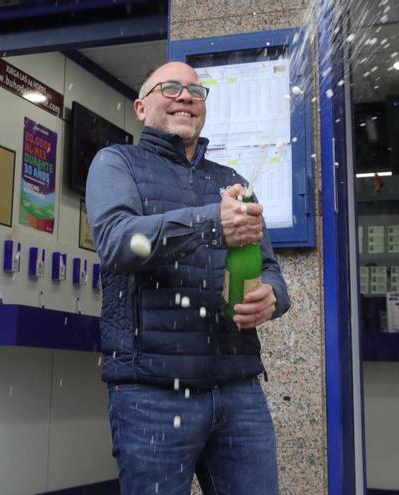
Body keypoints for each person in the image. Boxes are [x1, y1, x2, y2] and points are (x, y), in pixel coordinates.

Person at [86, 61, 291, 494]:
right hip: (151, 394)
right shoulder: (115, 162)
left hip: (239, 392)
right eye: (172, 88)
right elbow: (118, 240)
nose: (186, 97)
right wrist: (210, 223)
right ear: (141, 108)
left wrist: (272, 296)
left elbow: (268, 266)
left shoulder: (231, 181)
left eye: (196, 92)